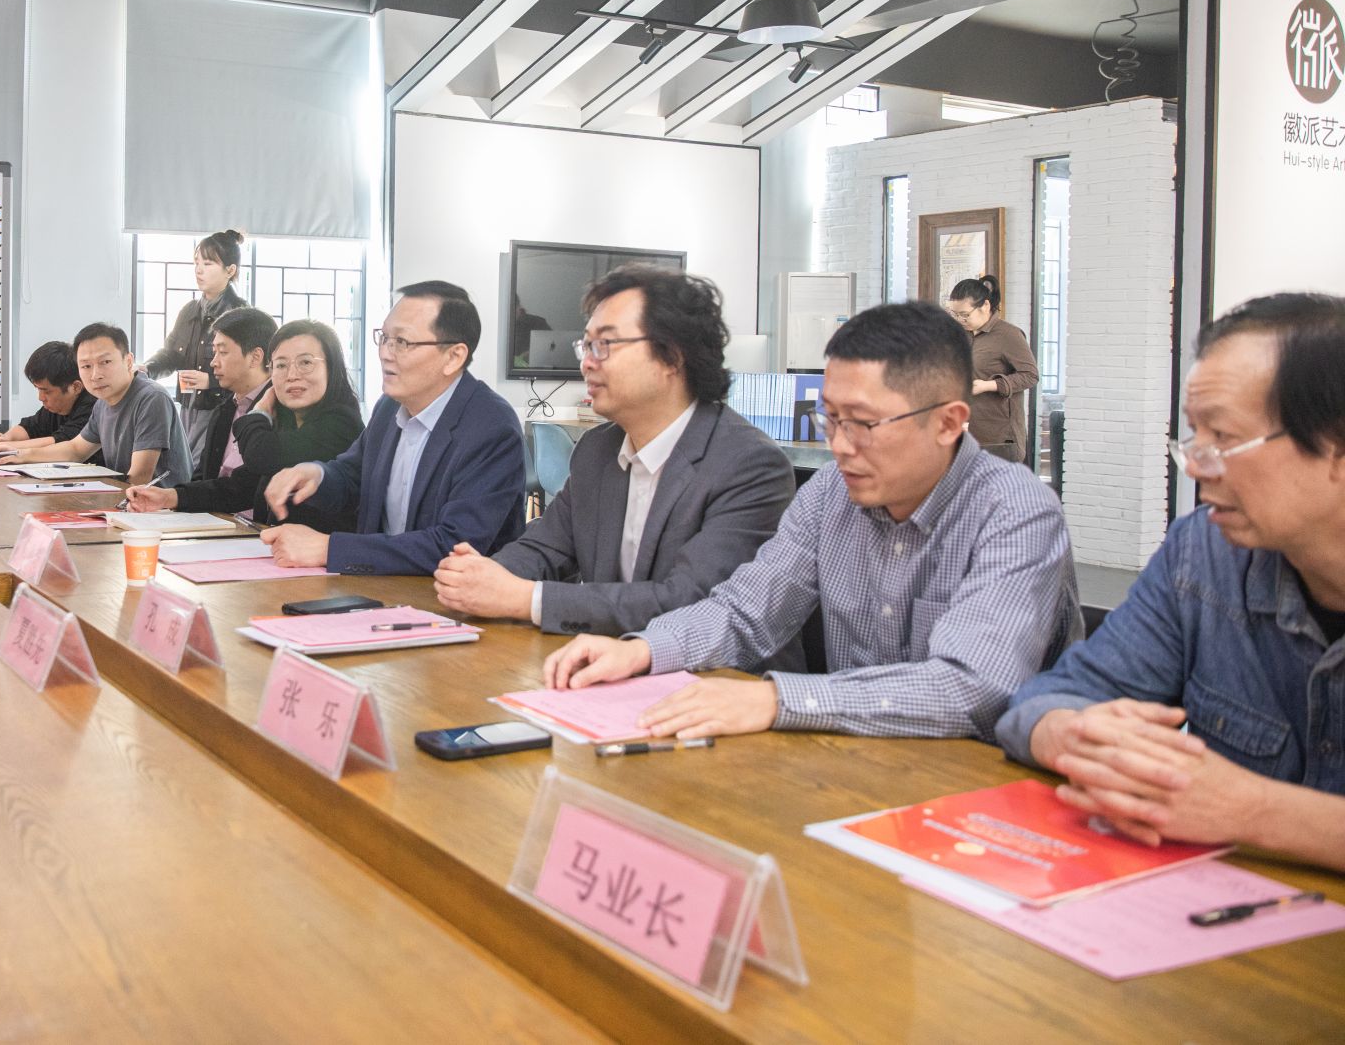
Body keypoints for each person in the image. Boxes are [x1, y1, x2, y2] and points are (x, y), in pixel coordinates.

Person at [540, 301, 1081, 743]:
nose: (839, 446)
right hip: (848, 763)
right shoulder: (830, 494)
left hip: (970, 789)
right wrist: (643, 650)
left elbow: (970, 688)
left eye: (862, 424)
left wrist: (777, 699)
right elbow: (746, 612)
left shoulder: (1016, 512)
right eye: (830, 418)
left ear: (948, 422)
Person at [996, 293, 1345, 872]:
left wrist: (1256, 812)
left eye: (1224, 438)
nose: (1198, 467)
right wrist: (1075, 736)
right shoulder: (1204, 554)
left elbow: (1244, 810)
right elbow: (1045, 701)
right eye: (1194, 437)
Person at [434, 267, 798, 653]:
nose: (586, 364)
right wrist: (483, 576)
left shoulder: (749, 465)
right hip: (606, 666)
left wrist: (527, 599)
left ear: (672, 357)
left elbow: (692, 605)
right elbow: (545, 548)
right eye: (586, 346)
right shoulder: (598, 449)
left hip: (717, 680)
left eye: (605, 345)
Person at [260, 282, 524, 574]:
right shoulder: (389, 407)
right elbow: (352, 476)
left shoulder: (491, 427)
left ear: (453, 357)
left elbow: (454, 546)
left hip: (448, 595)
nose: (385, 353)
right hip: (379, 586)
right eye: (384, 338)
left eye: (402, 342)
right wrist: (316, 475)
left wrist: (328, 548)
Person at [0, 323, 192, 486]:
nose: (95, 374)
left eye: (105, 362)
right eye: (86, 366)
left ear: (128, 361)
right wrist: (20, 455)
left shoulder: (151, 398)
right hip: (127, 502)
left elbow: (139, 477)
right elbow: (75, 450)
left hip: (162, 510)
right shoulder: (102, 403)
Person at [124, 307, 276, 516]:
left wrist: (171, 497)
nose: (213, 362)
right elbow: (202, 476)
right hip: (216, 521)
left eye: (223, 352)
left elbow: (244, 487)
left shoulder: (277, 411)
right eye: (214, 352)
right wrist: (174, 502)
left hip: (256, 528)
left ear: (255, 357)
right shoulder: (225, 409)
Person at [142, 229, 249, 469]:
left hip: (221, 410)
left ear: (230, 270)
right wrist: (147, 369)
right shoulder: (189, 311)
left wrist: (210, 381)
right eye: (196, 263)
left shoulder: (241, 314)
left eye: (208, 264)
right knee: (180, 469)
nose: (199, 270)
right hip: (188, 407)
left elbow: (251, 372)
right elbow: (171, 354)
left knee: (200, 471)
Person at [0, 341, 98, 465]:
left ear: (76, 387)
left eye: (46, 391)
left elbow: (63, 443)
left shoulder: (93, 405)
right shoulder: (56, 406)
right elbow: (31, 426)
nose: (41, 397)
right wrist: (5, 438)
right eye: (38, 389)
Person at [946, 274, 1037, 462]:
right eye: (955, 314)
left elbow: (1030, 375)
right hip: (965, 434)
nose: (960, 320)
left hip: (999, 438)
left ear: (985, 306)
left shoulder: (1008, 335)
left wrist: (989, 385)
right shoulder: (960, 335)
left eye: (965, 315)